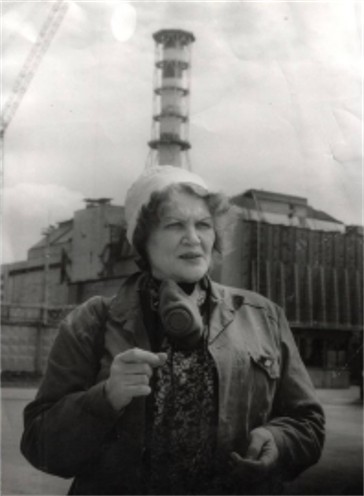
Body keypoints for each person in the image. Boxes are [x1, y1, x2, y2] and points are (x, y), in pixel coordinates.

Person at [20, 165, 325, 495]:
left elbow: (308, 423)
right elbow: (41, 447)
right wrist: (105, 398)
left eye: (204, 225)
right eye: (175, 224)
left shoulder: (263, 316)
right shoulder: (90, 322)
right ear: (143, 238)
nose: (193, 238)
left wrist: (279, 441)